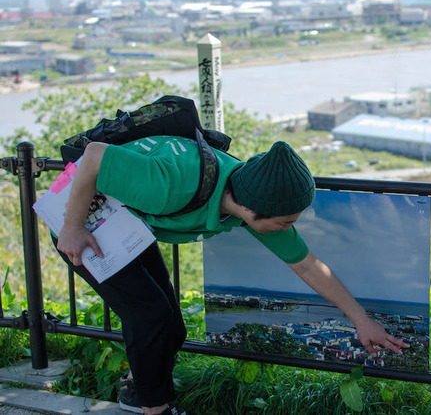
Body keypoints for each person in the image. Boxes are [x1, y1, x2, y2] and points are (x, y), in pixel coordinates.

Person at [56, 136, 409, 415]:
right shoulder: (173, 185)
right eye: (285, 222)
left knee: (172, 326)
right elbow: (95, 156)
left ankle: (138, 388)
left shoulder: (249, 192)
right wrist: (71, 227)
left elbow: (308, 265)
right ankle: (155, 407)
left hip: (129, 221)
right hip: (80, 219)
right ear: (251, 210)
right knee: (149, 315)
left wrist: (361, 319)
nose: (288, 229)